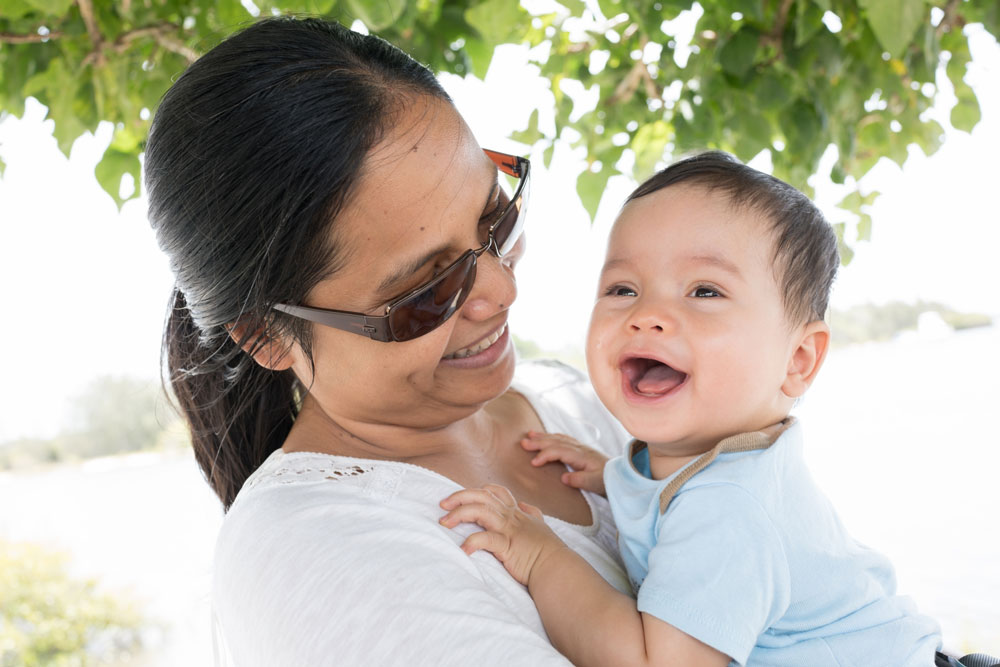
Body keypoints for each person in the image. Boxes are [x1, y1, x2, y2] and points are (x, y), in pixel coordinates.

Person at [144, 16, 632, 666]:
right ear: (266, 335)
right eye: (427, 291)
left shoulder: (572, 396)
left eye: (495, 219)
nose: (501, 292)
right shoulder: (311, 554)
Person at [440, 152, 943, 666]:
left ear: (797, 359)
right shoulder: (722, 466)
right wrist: (617, 477)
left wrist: (540, 554)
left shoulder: (728, 508)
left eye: (704, 291)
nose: (648, 315)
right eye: (623, 288)